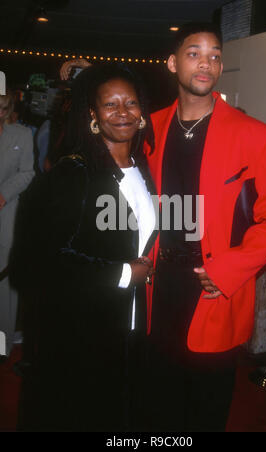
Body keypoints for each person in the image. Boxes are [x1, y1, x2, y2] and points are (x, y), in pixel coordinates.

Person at [60, 22, 266, 432]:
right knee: (155, 400)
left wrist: (228, 270)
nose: (206, 63)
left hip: (215, 288)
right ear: (172, 63)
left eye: (215, 55)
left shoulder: (258, 137)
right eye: (194, 53)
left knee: (206, 406)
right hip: (154, 284)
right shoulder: (147, 129)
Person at [12, 65, 157, 432]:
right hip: (80, 331)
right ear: (92, 115)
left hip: (131, 325)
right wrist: (123, 274)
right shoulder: (70, 175)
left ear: (142, 112)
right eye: (110, 105)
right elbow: (35, 263)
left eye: (131, 103)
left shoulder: (143, 169)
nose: (122, 112)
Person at [0, 89, 34, 361]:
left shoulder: (21, 136)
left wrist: (3, 195)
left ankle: (4, 340)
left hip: (6, 213)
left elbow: (28, 172)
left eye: (2, 108)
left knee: (4, 281)